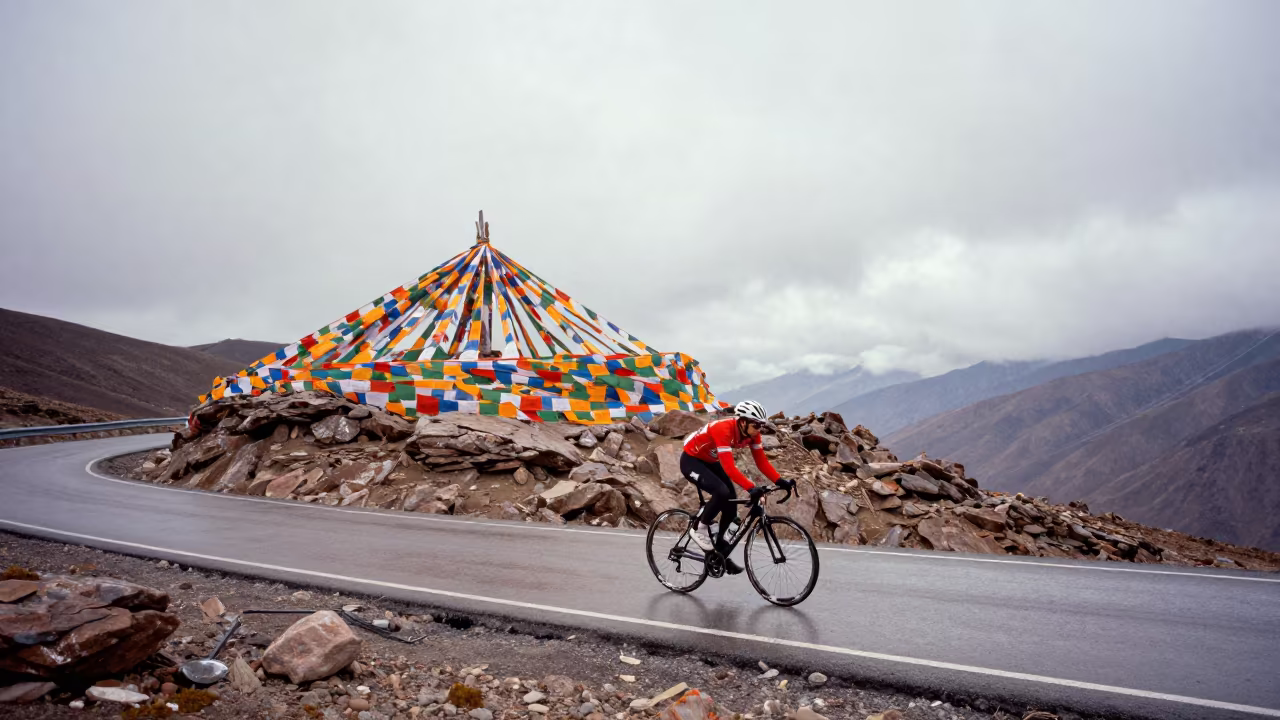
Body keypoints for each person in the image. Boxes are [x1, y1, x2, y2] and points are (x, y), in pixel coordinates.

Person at [680, 400, 796, 574]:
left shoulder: (753, 434)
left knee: (731, 504)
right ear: (742, 422)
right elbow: (729, 467)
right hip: (691, 460)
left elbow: (761, 462)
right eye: (756, 425)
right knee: (721, 492)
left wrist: (780, 481)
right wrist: (751, 488)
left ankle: (719, 555)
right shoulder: (723, 429)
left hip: (710, 461)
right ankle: (701, 528)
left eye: (762, 425)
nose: (759, 429)